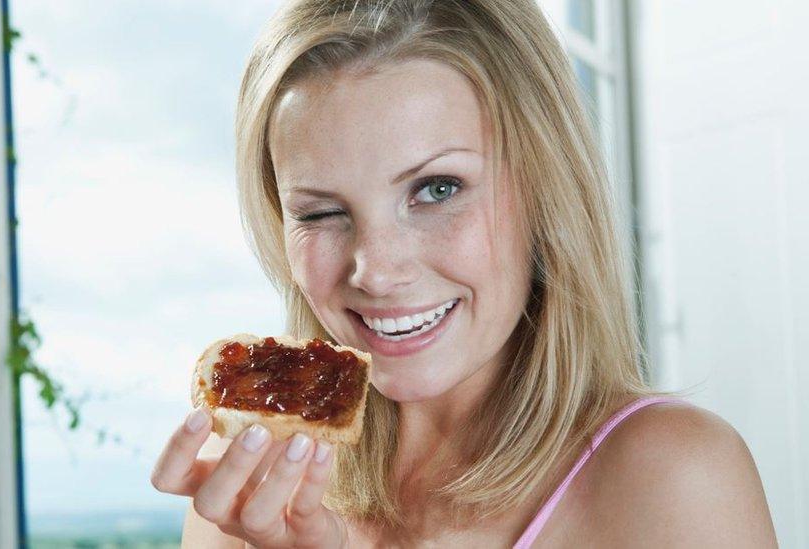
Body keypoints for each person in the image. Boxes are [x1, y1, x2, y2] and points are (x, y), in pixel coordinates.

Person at [150, 0, 778, 546]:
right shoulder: (246, 495)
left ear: (544, 188)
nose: (377, 271)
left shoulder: (672, 478)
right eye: (320, 211)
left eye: (437, 189)